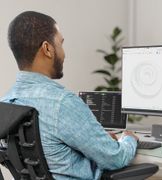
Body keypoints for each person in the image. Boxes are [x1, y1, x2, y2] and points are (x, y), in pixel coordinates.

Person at [0, 11, 138, 179]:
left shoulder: (6, 105)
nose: (63, 53)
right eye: (61, 44)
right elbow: (116, 158)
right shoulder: (62, 103)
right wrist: (129, 139)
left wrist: (96, 142)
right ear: (47, 49)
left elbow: (48, 154)